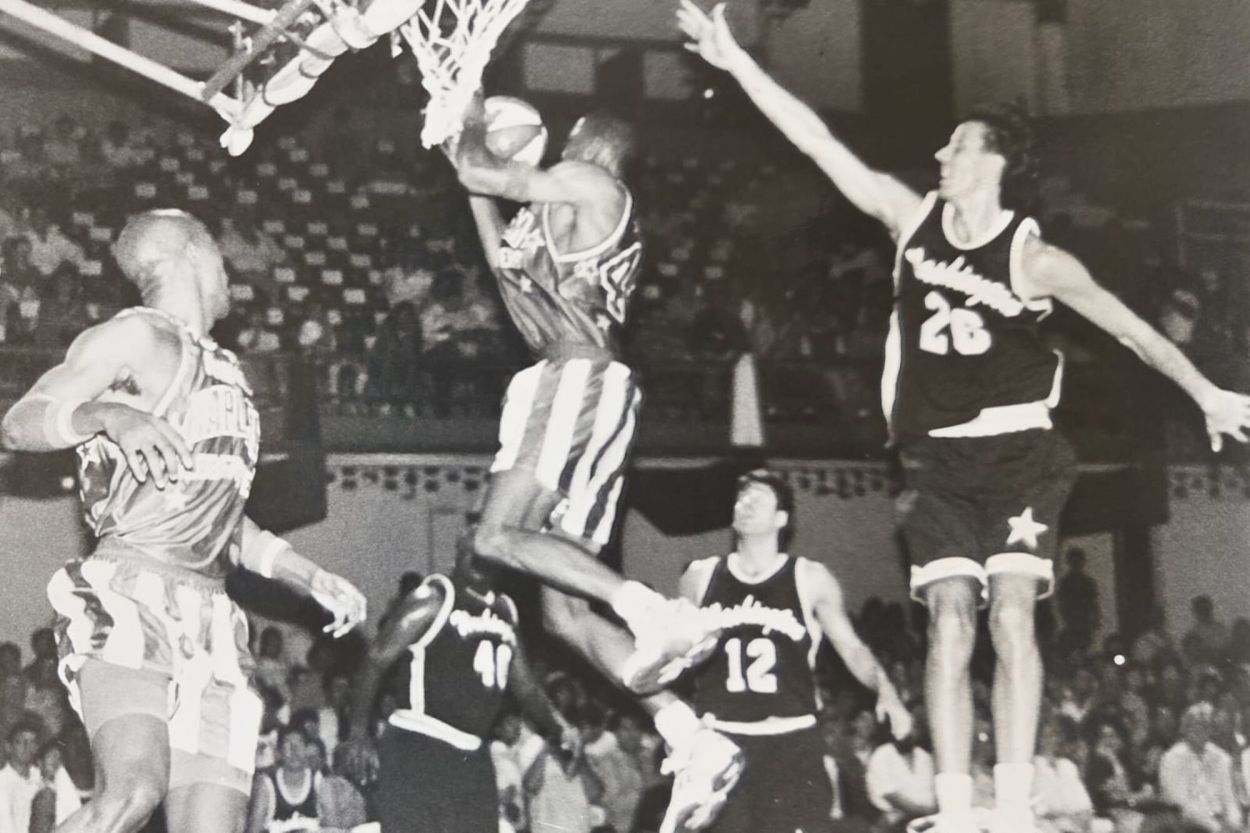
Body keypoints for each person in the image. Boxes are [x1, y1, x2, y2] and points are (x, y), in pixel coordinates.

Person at [678, 5, 1250, 831]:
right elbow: (816, 143)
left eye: (958, 144)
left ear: (996, 164)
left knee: (1011, 613)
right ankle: (954, 806)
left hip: (1019, 451)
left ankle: (1011, 807)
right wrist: (736, 62)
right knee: (949, 624)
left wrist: (1204, 391)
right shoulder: (911, 225)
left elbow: (1129, 327)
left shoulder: (1036, 258)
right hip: (937, 462)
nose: (941, 153)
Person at [0, 208, 367, 833]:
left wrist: (307, 573)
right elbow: (19, 421)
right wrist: (108, 416)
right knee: (133, 792)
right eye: (223, 259)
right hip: (132, 593)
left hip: (216, 622)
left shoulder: (229, 372)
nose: (231, 274)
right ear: (193, 253)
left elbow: (224, 515)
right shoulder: (136, 337)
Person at [446, 98, 743, 830]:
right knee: (562, 612)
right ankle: (690, 734)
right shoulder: (556, 214)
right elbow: (501, 266)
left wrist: (464, 124)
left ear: (588, 142)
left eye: (570, 134)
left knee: (490, 539)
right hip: (579, 385)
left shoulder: (593, 182)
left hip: (574, 383)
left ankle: (655, 612)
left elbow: (477, 165)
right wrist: (478, 182)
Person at [677, 469, 911, 833]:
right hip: (721, 738)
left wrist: (888, 692)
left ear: (781, 519)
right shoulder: (700, 576)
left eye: (758, 498)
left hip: (790, 742)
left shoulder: (809, 577)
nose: (745, 503)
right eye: (742, 497)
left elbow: (851, 647)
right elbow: (675, 652)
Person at [339, 541, 578, 833]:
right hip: (418, 746)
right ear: (459, 551)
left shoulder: (505, 610)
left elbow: (526, 688)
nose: (480, 556)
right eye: (473, 549)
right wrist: (358, 731)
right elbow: (376, 659)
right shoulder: (436, 595)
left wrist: (561, 726)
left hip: (471, 755)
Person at [1159, 703, 1242, 833]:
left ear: (1211, 730)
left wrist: (1234, 823)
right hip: (1188, 824)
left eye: (1205, 726)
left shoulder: (1221, 758)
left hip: (1221, 822)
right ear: (1184, 729)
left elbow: (1229, 798)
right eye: (1194, 726)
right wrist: (1216, 828)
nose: (1199, 731)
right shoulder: (1172, 758)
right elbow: (1181, 803)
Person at [0, 719, 43, 833]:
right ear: (8, 747)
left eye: (32, 742)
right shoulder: (2, 782)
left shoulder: (41, 777)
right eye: (21, 742)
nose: (26, 747)